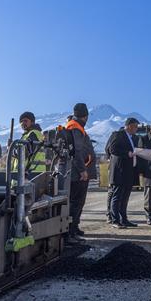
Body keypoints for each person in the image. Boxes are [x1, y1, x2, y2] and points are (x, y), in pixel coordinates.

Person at [64, 103, 92, 241]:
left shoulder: (74, 125)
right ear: (85, 116)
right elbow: (77, 151)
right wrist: (82, 170)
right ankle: (70, 232)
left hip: (75, 171)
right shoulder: (76, 127)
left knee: (77, 202)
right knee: (76, 202)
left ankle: (74, 227)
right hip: (77, 173)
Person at [107, 117, 140, 228]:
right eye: (135, 126)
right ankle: (115, 220)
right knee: (117, 196)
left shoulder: (133, 138)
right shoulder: (118, 134)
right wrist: (127, 153)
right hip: (119, 171)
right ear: (129, 125)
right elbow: (112, 149)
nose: (136, 129)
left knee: (125, 197)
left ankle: (124, 219)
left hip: (128, 172)